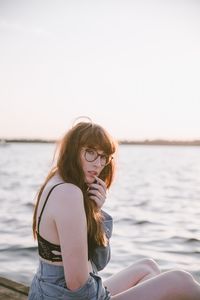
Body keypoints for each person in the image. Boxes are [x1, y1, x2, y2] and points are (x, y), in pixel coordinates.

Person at [28, 118, 200, 300]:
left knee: (148, 267)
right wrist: (106, 296)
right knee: (180, 281)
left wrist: (95, 211)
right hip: (63, 296)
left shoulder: (59, 181)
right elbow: (77, 285)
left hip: (52, 292)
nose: (98, 163)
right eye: (90, 152)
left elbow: (97, 263)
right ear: (72, 150)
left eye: (103, 157)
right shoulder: (68, 193)